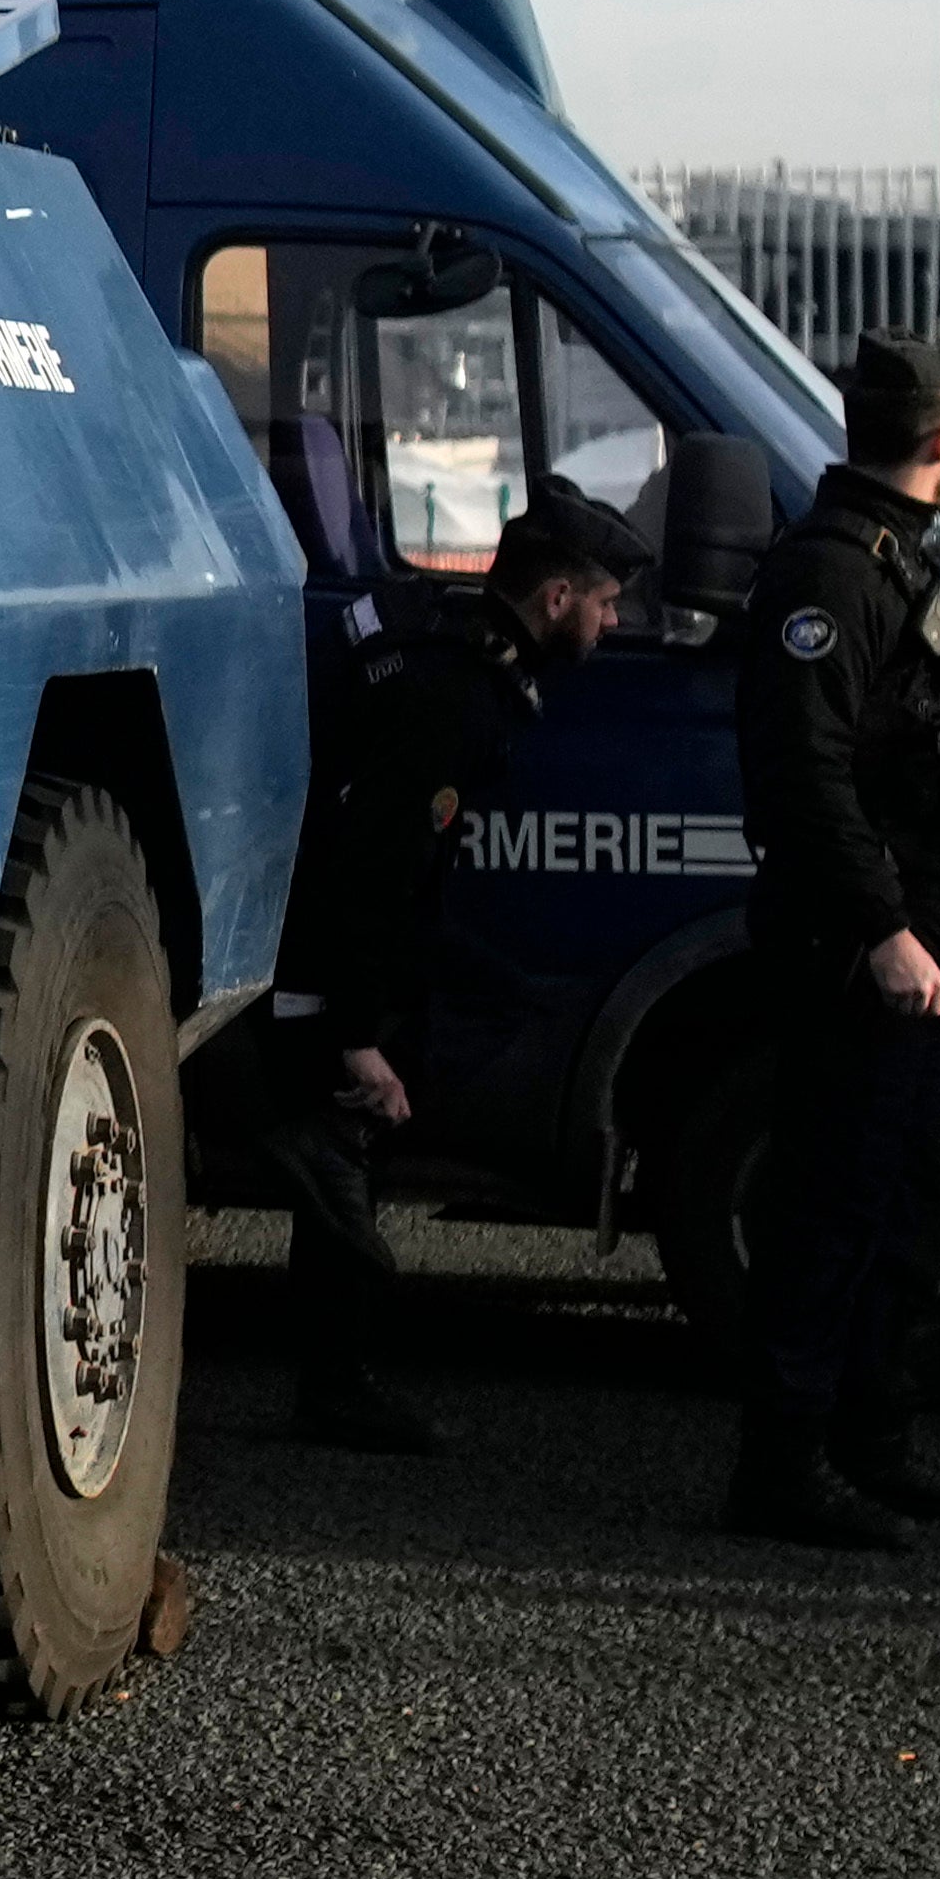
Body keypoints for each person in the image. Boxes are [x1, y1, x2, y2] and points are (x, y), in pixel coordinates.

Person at [234, 479, 641, 1451]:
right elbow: (375, 868)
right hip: (323, 959)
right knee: (344, 1158)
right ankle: (336, 1384)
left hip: (340, 949)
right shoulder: (451, 692)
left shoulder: (456, 646)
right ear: (555, 600)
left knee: (369, 1138)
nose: (614, 620)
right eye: (605, 601)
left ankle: (337, 1364)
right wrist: (356, 1037)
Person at [728, 337, 940, 1553]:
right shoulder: (829, 577)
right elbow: (803, 779)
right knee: (828, 1210)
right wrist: (883, 926)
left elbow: (911, 761)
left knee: (900, 1203)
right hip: (846, 949)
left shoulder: (897, 566)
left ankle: (872, 1443)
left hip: (908, 937)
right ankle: (783, 1468)